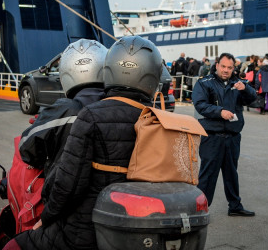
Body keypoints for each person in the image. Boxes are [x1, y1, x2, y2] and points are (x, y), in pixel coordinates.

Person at [9, 36, 163, 250]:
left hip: (86, 227)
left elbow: (67, 183)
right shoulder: (159, 118)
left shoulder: (88, 115)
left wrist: (47, 216)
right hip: (144, 221)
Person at [18, 39, 108, 197]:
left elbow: (26, 148)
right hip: (114, 201)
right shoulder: (120, 107)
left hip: (67, 204)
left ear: (67, 72)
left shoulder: (64, 110)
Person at [192, 53, 257, 216]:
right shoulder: (204, 83)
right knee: (207, 175)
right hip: (212, 137)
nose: (226, 70)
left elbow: (253, 99)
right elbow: (200, 105)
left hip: (233, 137)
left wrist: (246, 89)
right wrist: (219, 112)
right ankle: (200, 210)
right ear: (217, 65)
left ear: (233, 68)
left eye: (229, 67)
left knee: (231, 174)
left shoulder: (238, 83)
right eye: (223, 66)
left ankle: (235, 206)